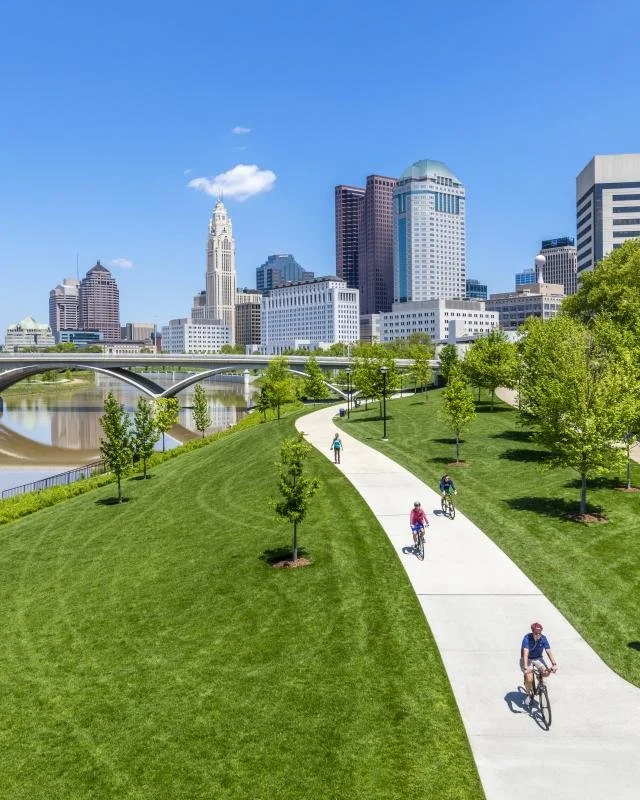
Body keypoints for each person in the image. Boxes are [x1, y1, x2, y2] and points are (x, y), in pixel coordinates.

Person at [520, 622, 558, 707]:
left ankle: (539, 678)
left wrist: (554, 664)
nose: (538, 635)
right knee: (529, 679)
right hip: (528, 659)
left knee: (546, 673)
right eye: (536, 633)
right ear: (532, 631)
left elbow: (548, 651)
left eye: (540, 633)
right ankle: (529, 694)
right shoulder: (527, 638)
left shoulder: (543, 638)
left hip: (538, 658)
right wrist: (525, 667)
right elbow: (525, 653)